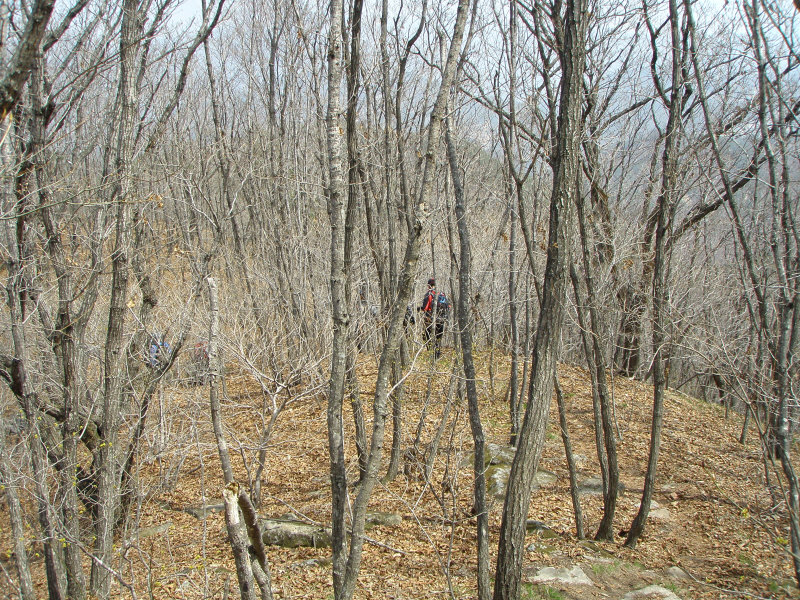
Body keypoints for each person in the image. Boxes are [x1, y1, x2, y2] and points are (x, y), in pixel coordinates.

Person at [418, 278, 448, 358]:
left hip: (430, 319)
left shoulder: (429, 294)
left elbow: (425, 308)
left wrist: (418, 309)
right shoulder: (442, 294)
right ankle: (437, 354)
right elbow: (448, 306)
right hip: (441, 319)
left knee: (427, 336)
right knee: (438, 337)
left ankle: (431, 355)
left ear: (429, 285)